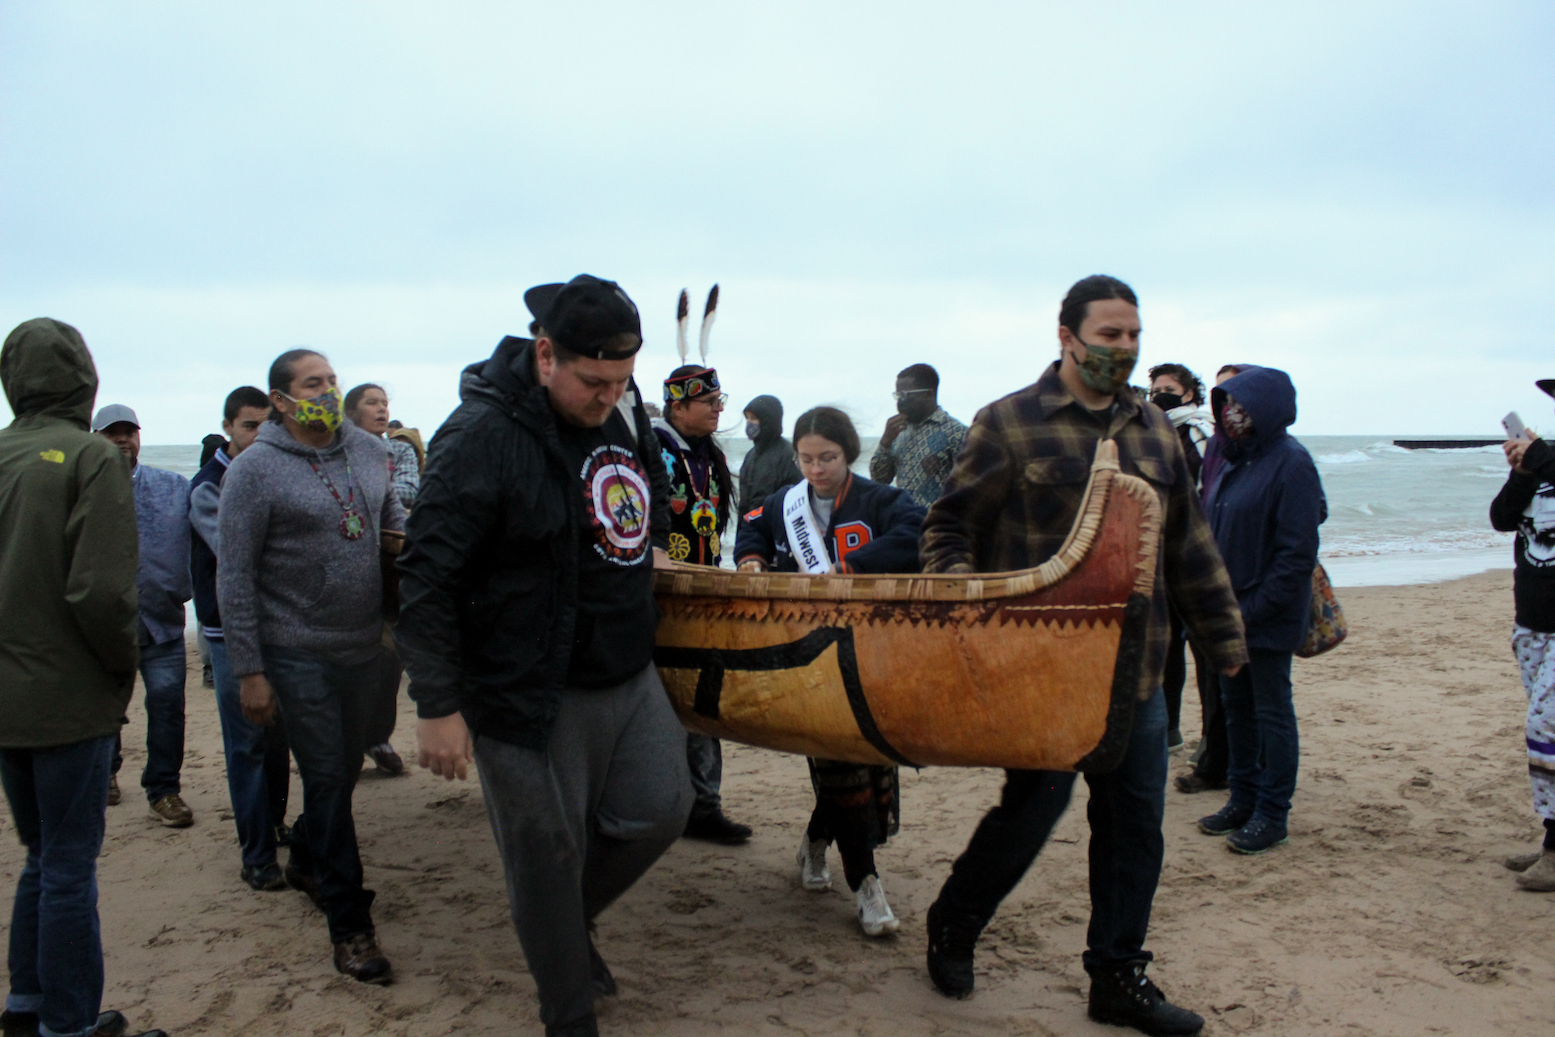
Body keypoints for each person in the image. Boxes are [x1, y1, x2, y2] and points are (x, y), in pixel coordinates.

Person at [918, 275, 1247, 1036]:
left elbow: (1189, 546)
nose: (1124, 350)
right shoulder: (1007, 423)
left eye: (1133, 336)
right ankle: (955, 921)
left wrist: (1224, 639)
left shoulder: (1155, 431)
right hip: (1040, 674)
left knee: (1135, 825)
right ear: (1066, 337)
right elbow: (947, 527)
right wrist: (967, 604)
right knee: (1032, 811)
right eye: (1109, 336)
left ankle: (1117, 975)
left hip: (1136, 673)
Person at [399, 275, 692, 1037]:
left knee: (661, 809)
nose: (608, 397)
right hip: (523, 683)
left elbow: (647, 480)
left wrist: (652, 534)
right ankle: (567, 1011)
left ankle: (559, 926)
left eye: (621, 382)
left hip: (623, 668)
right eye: (593, 381)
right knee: (544, 853)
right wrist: (435, 705)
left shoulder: (619, 406)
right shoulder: (480, 436)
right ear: (544, 355)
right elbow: (425, 577)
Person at [0, 318, 170, 1037]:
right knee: (69, 863)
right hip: (68, 699)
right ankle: (68, 1023)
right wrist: (121, 669)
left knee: (42, 856)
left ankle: (27, 1005)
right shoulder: (89, 458)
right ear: (84, 376)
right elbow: (100, 593)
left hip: (7, 699)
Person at [218, 348, 405, 984]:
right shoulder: (255, 471)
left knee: (344, 771)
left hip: (365, 644)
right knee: (326, 776)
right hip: (295, 649)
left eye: (331, 380)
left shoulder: (369, 451)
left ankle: (304, 855)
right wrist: (250, 670)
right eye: (311, 384)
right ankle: (352, 927)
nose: (327, 391)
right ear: (280, 399)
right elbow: (234, 577)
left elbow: (391, 525)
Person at [734, 406, 925, 938]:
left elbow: (917, 536)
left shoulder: (882, 500)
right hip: (808, 657)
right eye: (806, 459)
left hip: (874, 655)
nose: (816, 470)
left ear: (849, 454)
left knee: (867, 760)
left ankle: (816, 845)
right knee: (842, 759)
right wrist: (749, 561)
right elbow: (750, 529)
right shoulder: (783, 504)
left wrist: (851, 569)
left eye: (828, 458)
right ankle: (866, 885)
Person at [1196, 366, 1325, 856]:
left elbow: (1296, 555)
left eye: (1243, 405)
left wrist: (1253, 609)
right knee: (1235, 710)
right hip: (1225, 614)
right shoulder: (1230, 459)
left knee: (1271, 712)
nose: (1232, 413)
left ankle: (1272, 813)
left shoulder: (1291, 463)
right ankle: (1241, 799)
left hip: (1267, 616)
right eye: (1226, 404)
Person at [190, 386, 293, 891]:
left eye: (266, 425)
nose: (258, 435)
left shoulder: (273, 474)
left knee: (276, 739)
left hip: (276, 629)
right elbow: (239, 555)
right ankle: (256, 855)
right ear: (229, 427)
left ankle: (274, 826)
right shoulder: (210, 486)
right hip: (228, 633)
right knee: (247, 744)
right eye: (250, 426)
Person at [653, 365, 751, 845]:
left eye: (719, 399)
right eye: (710, 401)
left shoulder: (707, 454)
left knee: (701, 699)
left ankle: (703, 807)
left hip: (701, 591)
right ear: (678, 406)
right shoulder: (650, 448)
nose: (719, 409)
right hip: (655, 596)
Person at [93, 403, 195, 827]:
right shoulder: (79, 491)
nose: (121, 440)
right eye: (110, 432)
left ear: (139, 436)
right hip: (100, 629)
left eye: (127, 431)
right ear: (94, 438)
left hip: (163, 622)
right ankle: (106, 775)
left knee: (168, 707)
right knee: (103, 712)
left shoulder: (175, 487)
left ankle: (164, 791)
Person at [1174, 362, 1250, 796]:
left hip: (1241, 588)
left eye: (1234, 392)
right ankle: (1216, 759)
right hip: (1205, 579)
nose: (1227, 403)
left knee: (1245, 690)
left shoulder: (1220, 444)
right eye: (1221, 394)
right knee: (1211, 679)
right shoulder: (1222, 447)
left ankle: (1226, 765)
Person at [1492, 377, 1555, 889]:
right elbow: (1501, 519)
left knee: (1546, 730)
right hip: (1532, 622)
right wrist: (1522, 470)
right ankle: (1551, 838)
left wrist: (1541, 458)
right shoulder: (1544, 462)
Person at [343, 383, 418, 777]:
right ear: (351, 412)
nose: (381, 409)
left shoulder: (399, 450)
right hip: (345, 569)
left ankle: (376, 736)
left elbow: (409, 488)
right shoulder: (337, 452)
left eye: (385, 403)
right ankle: (348, 743)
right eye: (371, 403)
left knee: (390, 658)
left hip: (389, 569)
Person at [1147, 363, 1216, 755]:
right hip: (1158, 559)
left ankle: (1210, 737)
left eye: (1168, 388)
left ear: (1189, 393)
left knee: (1204, 650)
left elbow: (1211, 488)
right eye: (1155, 388)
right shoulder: (1151, 432)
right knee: (1166, 648)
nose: (1159, 395)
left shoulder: (1200, 432)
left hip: (1195, 555)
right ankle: (1169, 730)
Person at [868, 363, 968, 508]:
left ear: (929, 394)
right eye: (898, 395)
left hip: (939, 525)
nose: (901, 401)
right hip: (904, 523)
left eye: (906, 395)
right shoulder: (898, 433)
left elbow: (971, 487)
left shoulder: (956, 432)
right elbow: (879, 480)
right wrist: (885, 443)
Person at [735, 394, 800, 530]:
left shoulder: (789, 455)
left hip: (776, 535)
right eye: (747, 418)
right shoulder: (751, 456)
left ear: (767, 421)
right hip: (751, 534)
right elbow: (744, 505)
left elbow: (796, 503)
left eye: (754, 418)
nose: (749, 423)